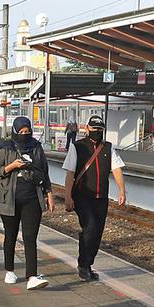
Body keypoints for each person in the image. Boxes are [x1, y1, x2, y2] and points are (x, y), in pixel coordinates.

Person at [63, 115, 127, 281]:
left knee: (97, 232)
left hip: (101, 197)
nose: (97, 132)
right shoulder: (77, 147)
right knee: (90, 227)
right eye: (94, 129)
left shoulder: (108, 148)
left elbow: (117, 169)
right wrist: (68, 196)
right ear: (87, 129)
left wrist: (122, 191)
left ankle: (88, 264)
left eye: (100, 129)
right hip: (82, 196)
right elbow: (70, 173)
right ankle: (83, 265)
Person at [0, 117, 55, 290]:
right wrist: (12, 166)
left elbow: (44, 171)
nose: (24, 135)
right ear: (14, 131)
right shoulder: (5, 148)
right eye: (21, 132)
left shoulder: (36, 147)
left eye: (27, 132)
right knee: (10, 235)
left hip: (32, 198)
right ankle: (9, 270)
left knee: (30, 237)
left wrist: (49, 193)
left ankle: (32, 276)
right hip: (9, 198)